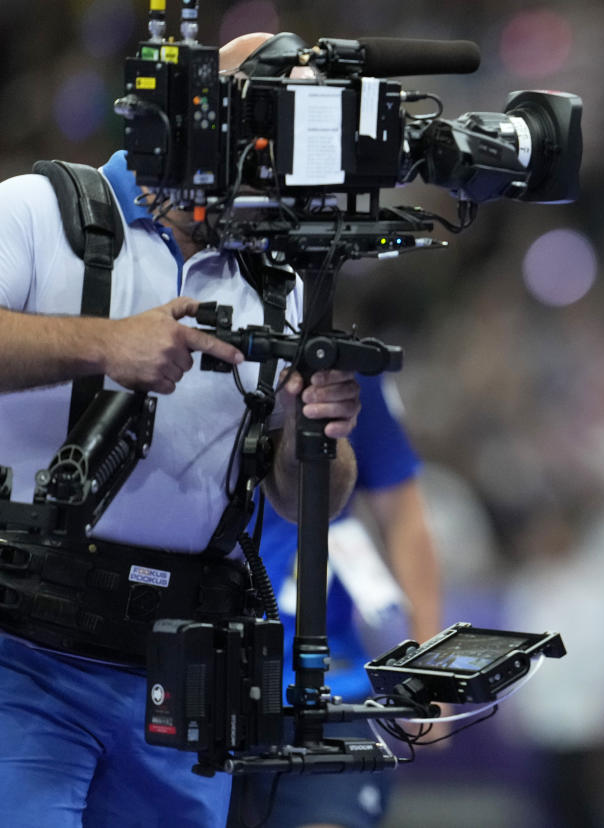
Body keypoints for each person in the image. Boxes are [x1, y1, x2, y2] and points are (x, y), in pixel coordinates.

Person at [0, 33, 361, 827]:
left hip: (180, 677)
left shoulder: (280, 283)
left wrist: (316, 431)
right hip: (23, 655)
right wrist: (107, 343)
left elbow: (312, 503)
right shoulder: (38, 209)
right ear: (202, 118)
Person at [228, 372, 442, 828]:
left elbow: (403, 515)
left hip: (323, 681)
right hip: (190, 669)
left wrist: (430, 676)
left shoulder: (344, 372)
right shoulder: (176, 351)